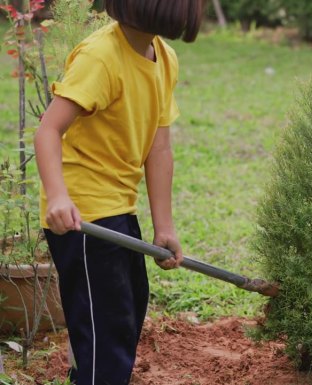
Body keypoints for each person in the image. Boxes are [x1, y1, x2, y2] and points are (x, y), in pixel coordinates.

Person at [34, 1, 204, 383]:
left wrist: (165, 226)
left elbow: (159, 149)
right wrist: (58, 196)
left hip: (117, 207)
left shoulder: (164, 57)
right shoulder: (101, 57)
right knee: (105, 331)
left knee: (124, 313)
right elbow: (48, 130)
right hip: (82, 212)